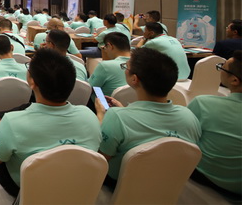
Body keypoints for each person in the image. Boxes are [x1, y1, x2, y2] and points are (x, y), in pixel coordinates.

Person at [0, 48, 102, 197]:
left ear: (32, 81)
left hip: (25, 189)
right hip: (75, 187)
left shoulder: (12, 122)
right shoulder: (90, 117)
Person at [95, 48, 201, 184]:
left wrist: (101, 116)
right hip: (168, 182)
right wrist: (124, 111)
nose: (125, 69)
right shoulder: (189, 117)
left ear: (134, 79)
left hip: (121, 183)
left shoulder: (117, 117)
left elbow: (101, 159)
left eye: (125, 67)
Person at [187, 50, 241, 197]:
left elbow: (182, 136)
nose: (220, 70)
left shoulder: (204, 104)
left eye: (222, 67)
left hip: (211, 180)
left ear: (234, 80)